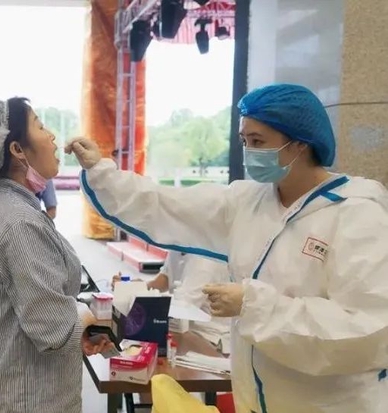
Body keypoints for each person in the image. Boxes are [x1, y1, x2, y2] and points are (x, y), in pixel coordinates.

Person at [67, 84, 388, 413]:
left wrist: (253, 305)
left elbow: (368, 328)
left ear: (300, 143)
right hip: (257, 399)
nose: (249, 152)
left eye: (258, 141)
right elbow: (168, 203)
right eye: (244, 141)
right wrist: (102, 172)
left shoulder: (356, 214)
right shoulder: (251, 202)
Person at [0, 97, 110, 413]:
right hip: (28, 398)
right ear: (17, 149)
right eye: (41, 126)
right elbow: (50, 325)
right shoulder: (20, 222)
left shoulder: (8, 207)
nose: (52, 136)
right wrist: (91, 319)